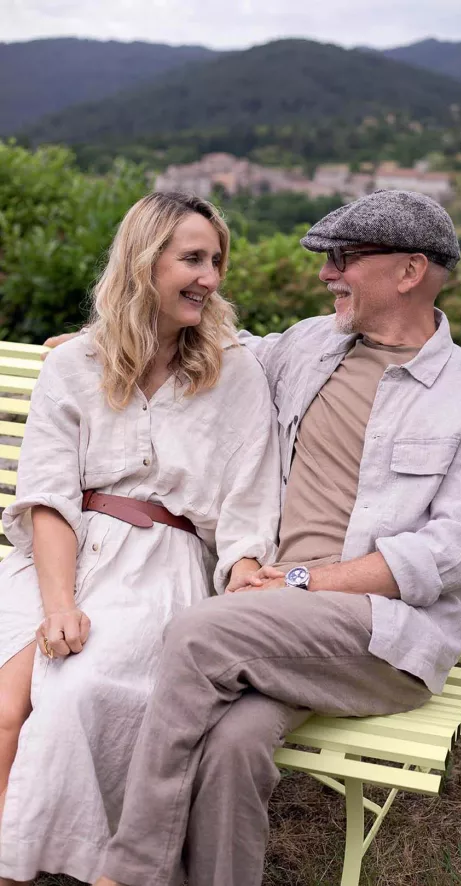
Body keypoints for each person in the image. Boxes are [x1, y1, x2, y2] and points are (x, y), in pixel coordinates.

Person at [53, 189, 461, 886]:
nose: (327, 273)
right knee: (234, 743)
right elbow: (218, 348)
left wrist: (305, 581)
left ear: (409, 271)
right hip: (277, 620)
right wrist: (95, 346)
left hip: (382, 635)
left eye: (345, 258)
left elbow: (446, 553)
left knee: (198, 632)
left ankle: (130, 868)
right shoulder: (308, 346)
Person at [0, 192, 281, 885]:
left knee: (73, 692)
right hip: (60, 555)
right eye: (193, 259)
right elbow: (49, 497)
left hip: (161, 565)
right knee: (5, 702)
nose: (210, 277)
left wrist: (243, 573)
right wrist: (59, 605)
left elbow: (247, 507)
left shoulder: (234, 371)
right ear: (144, 261)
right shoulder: (75, 364)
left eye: (216, 261)